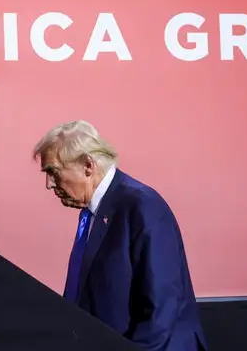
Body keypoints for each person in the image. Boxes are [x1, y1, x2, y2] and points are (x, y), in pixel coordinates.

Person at [33, 120, 208, 351]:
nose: (49, 184)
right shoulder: (93, 212)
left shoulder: (142, 206)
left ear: (88, 165)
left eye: (54, 172)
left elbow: (162, 307)